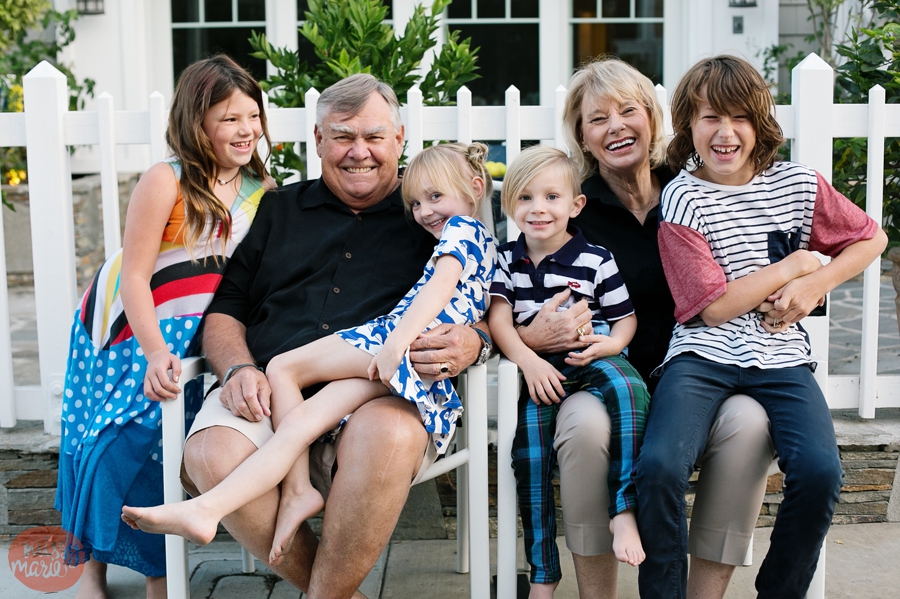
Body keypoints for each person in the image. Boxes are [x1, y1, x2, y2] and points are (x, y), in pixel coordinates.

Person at [158, 73, 489, 598]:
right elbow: (227, 308)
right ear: (317, 139)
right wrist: (238, 368)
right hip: (268, 389)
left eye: (374, 136)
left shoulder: (431, 214)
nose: (359, 152)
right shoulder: (278, 209)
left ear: (399, 138)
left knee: (391, 435)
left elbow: (485, 293)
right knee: (209, 455)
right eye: (343, 136)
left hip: (377, 396)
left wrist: (475, 341)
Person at [509, 57, 776, 599]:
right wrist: (533, 338)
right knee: (584, 429)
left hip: (704, 375)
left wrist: (806, 281)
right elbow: (508, 295)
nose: (616, 127)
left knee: (750, 423)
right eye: (597, 118)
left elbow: (767, 255)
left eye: (628, 111)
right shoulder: (569, 209)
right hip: (598, 380)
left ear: (652, 117)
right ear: (582, 135)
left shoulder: (698, 190)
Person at [635, 54, 886, 599]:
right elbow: (711, 308)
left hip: (782, 356)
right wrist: (795, 264)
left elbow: (872, 238)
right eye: (710, 118)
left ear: (760, 123)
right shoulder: (683, 196)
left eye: (740, 118)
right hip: (701, 356)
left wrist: (817, 283)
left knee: (820, 474)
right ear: (688, 125)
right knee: (658, 468)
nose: (725, 133)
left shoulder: (798, 184)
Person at [54, 55, 273, 599]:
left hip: (198, 335)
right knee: (107, 441)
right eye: (229, 118)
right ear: (197, 122)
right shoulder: (165, 179)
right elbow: (133, 275)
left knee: (162, 449)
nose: (246, 129)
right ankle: (91, 571)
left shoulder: (261, 188)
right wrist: (153, 350)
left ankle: (159, 573)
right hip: (130, 329)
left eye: (252, 116)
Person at [489, 146, 650, 575]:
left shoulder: (596, 259)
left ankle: (623, 507)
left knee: (630, 389)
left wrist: (612, 346)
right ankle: (542, 576)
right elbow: (499, 321)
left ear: (576, 205)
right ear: (509, 205)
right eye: (525, 198)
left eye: (551, 197)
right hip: (540, 371)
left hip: (591, 356)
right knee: (530, 456)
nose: (538, 208)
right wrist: (529, 362)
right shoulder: (505, 260)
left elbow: (625, 319)